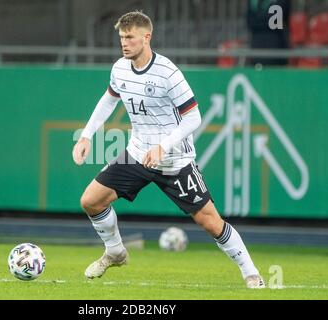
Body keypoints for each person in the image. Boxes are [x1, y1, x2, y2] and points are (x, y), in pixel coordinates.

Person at [72, 12, 265, 288]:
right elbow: (108, 100)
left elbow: (194, 117)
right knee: (91, 201)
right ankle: (115, 251)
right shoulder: (120, 69)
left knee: (211, 222)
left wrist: (164, 146)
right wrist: (87, 136)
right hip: (138, 154)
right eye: (121, 38)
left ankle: (251, 273)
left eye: (129, 37)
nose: (124, 43)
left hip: (175, 160)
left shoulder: (168, 72)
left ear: (146, 37)